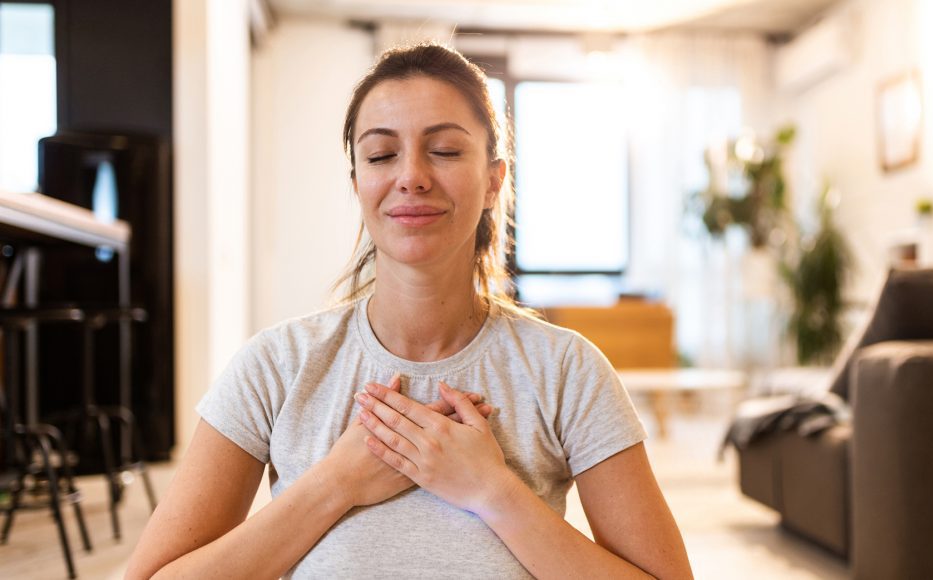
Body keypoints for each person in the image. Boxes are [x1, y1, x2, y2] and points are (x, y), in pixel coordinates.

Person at [127, 42, 692, 579]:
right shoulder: (276, 366)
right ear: (358, 183)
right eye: (381, 155)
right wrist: (335, 485)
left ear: (493, 180)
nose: (412, 177)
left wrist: (493, 492)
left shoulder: (567, 371)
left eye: (444, 151)